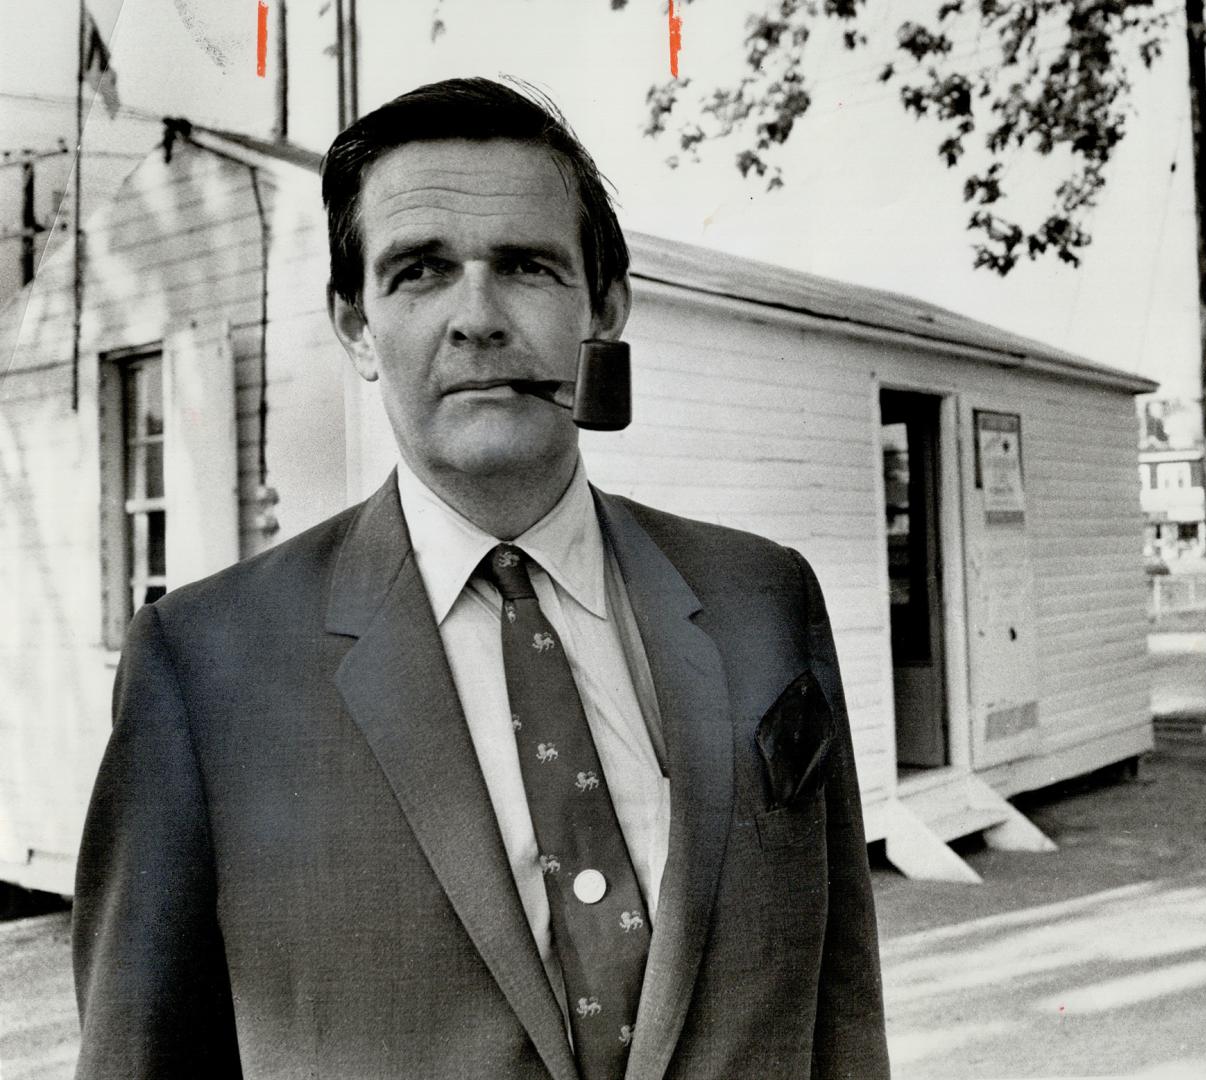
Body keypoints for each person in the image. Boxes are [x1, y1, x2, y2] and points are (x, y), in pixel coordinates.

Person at [72, 78, 890, 1079]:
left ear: (606, 309)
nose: (477, 318)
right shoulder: (204, 670)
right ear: (356, 327)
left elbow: (842, 1018)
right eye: (418, 273)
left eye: (528, 266)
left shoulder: (765, 600)